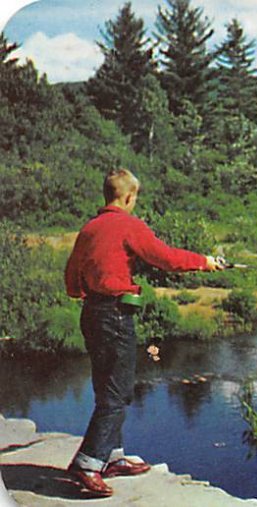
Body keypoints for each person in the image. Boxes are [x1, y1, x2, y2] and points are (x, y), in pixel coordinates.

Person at [64, 168, 224, 497]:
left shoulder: (90, 228)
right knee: (118, 391)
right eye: (135, 197)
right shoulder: (128, 225)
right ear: (128, 197)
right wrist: (204, 261)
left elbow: (71, 276)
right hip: (114, 316)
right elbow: (164, 258)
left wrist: (86, 292)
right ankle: (87, 463)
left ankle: (112, 456)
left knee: (105, 386)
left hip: (92, 313)